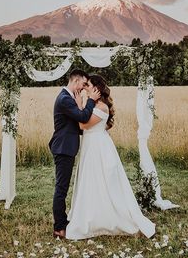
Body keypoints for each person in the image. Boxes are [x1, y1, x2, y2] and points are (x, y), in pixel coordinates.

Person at [65, 74, 155, 240]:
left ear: (96, 89)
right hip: (91, 144)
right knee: (91, 180)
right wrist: (85, 102)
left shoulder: (102, 107)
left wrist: (79, 105)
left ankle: (108, 216)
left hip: (97, 147)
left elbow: (83, 124)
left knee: (102, 179)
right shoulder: (95, 104)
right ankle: (92, 212)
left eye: (88, 85)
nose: (85, 87)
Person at [48, 69, 99, 238]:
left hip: (66, 147)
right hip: (63, 148)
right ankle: (59, 228)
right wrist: (90, 100)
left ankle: (63, 222)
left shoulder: (68, 98)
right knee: (61, 188)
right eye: (84, 84)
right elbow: (83, 118)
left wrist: (80, 104)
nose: (85, 88)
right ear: (76, 81)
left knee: (63, 187)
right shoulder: (64, 99)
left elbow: (77, 122)